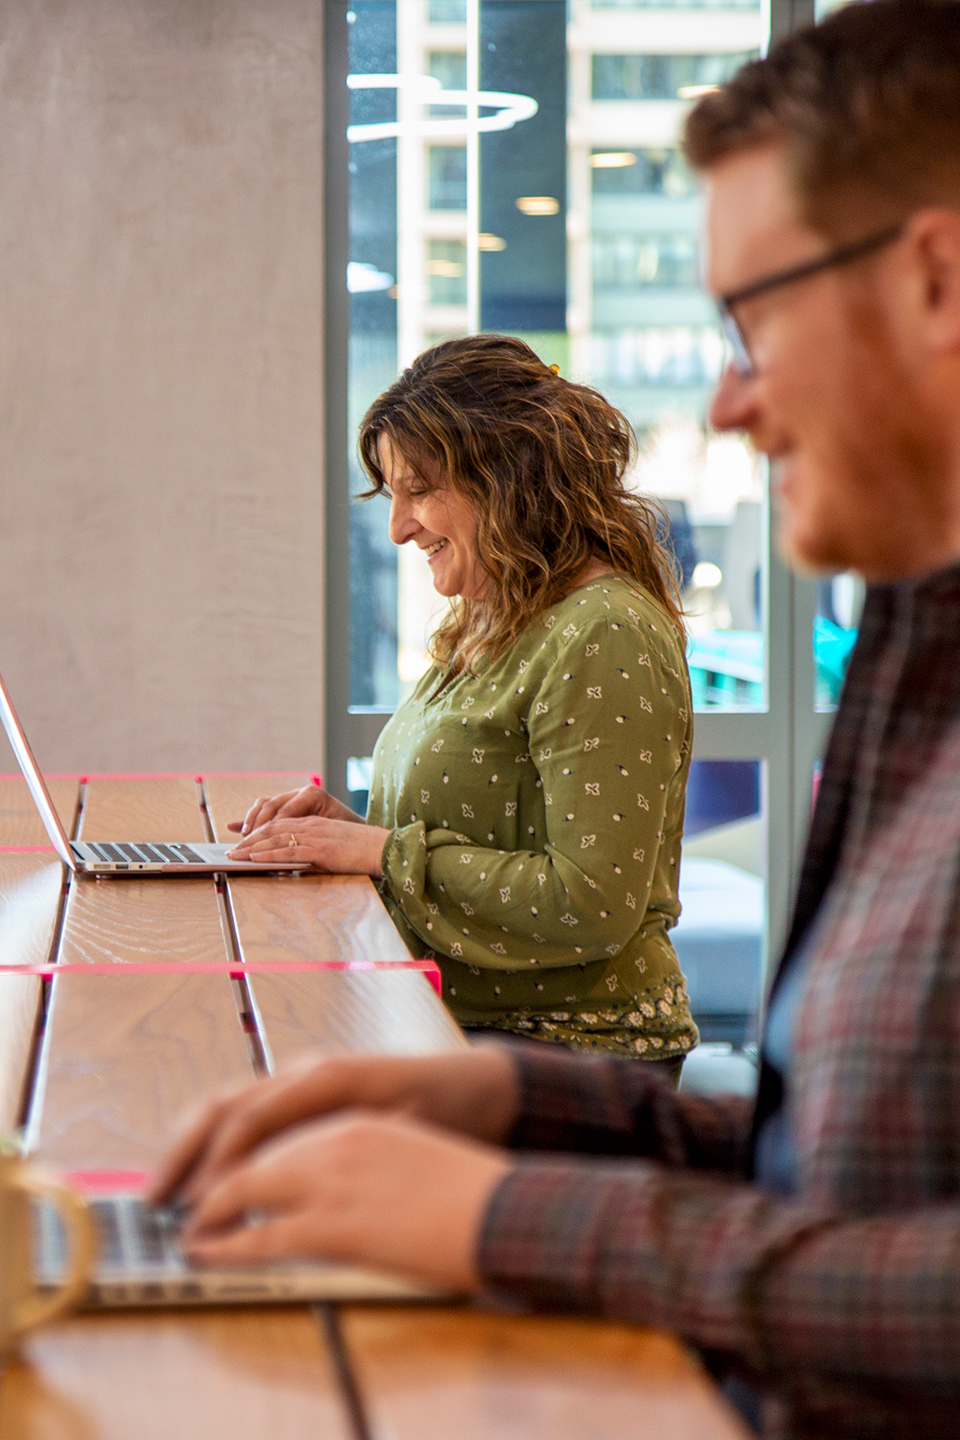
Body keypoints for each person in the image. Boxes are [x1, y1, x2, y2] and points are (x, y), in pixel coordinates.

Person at [151, 1, 960, 1432]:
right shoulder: (914, 661)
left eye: (753, 321)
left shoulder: (613, 633)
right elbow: (837, 1179)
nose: (728, 402)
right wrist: (518, 1114)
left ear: (937, 282)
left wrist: (513, 1217)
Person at [226, 336, 697, 1064]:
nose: (398, 527)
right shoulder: (495, 615)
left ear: (509, 479)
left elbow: (592, 902)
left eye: (420, 490)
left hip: (571, 1055)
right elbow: (490, 828)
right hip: (465, 1032)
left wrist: (383, 852)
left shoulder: (605, 632)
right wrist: (352, 836)